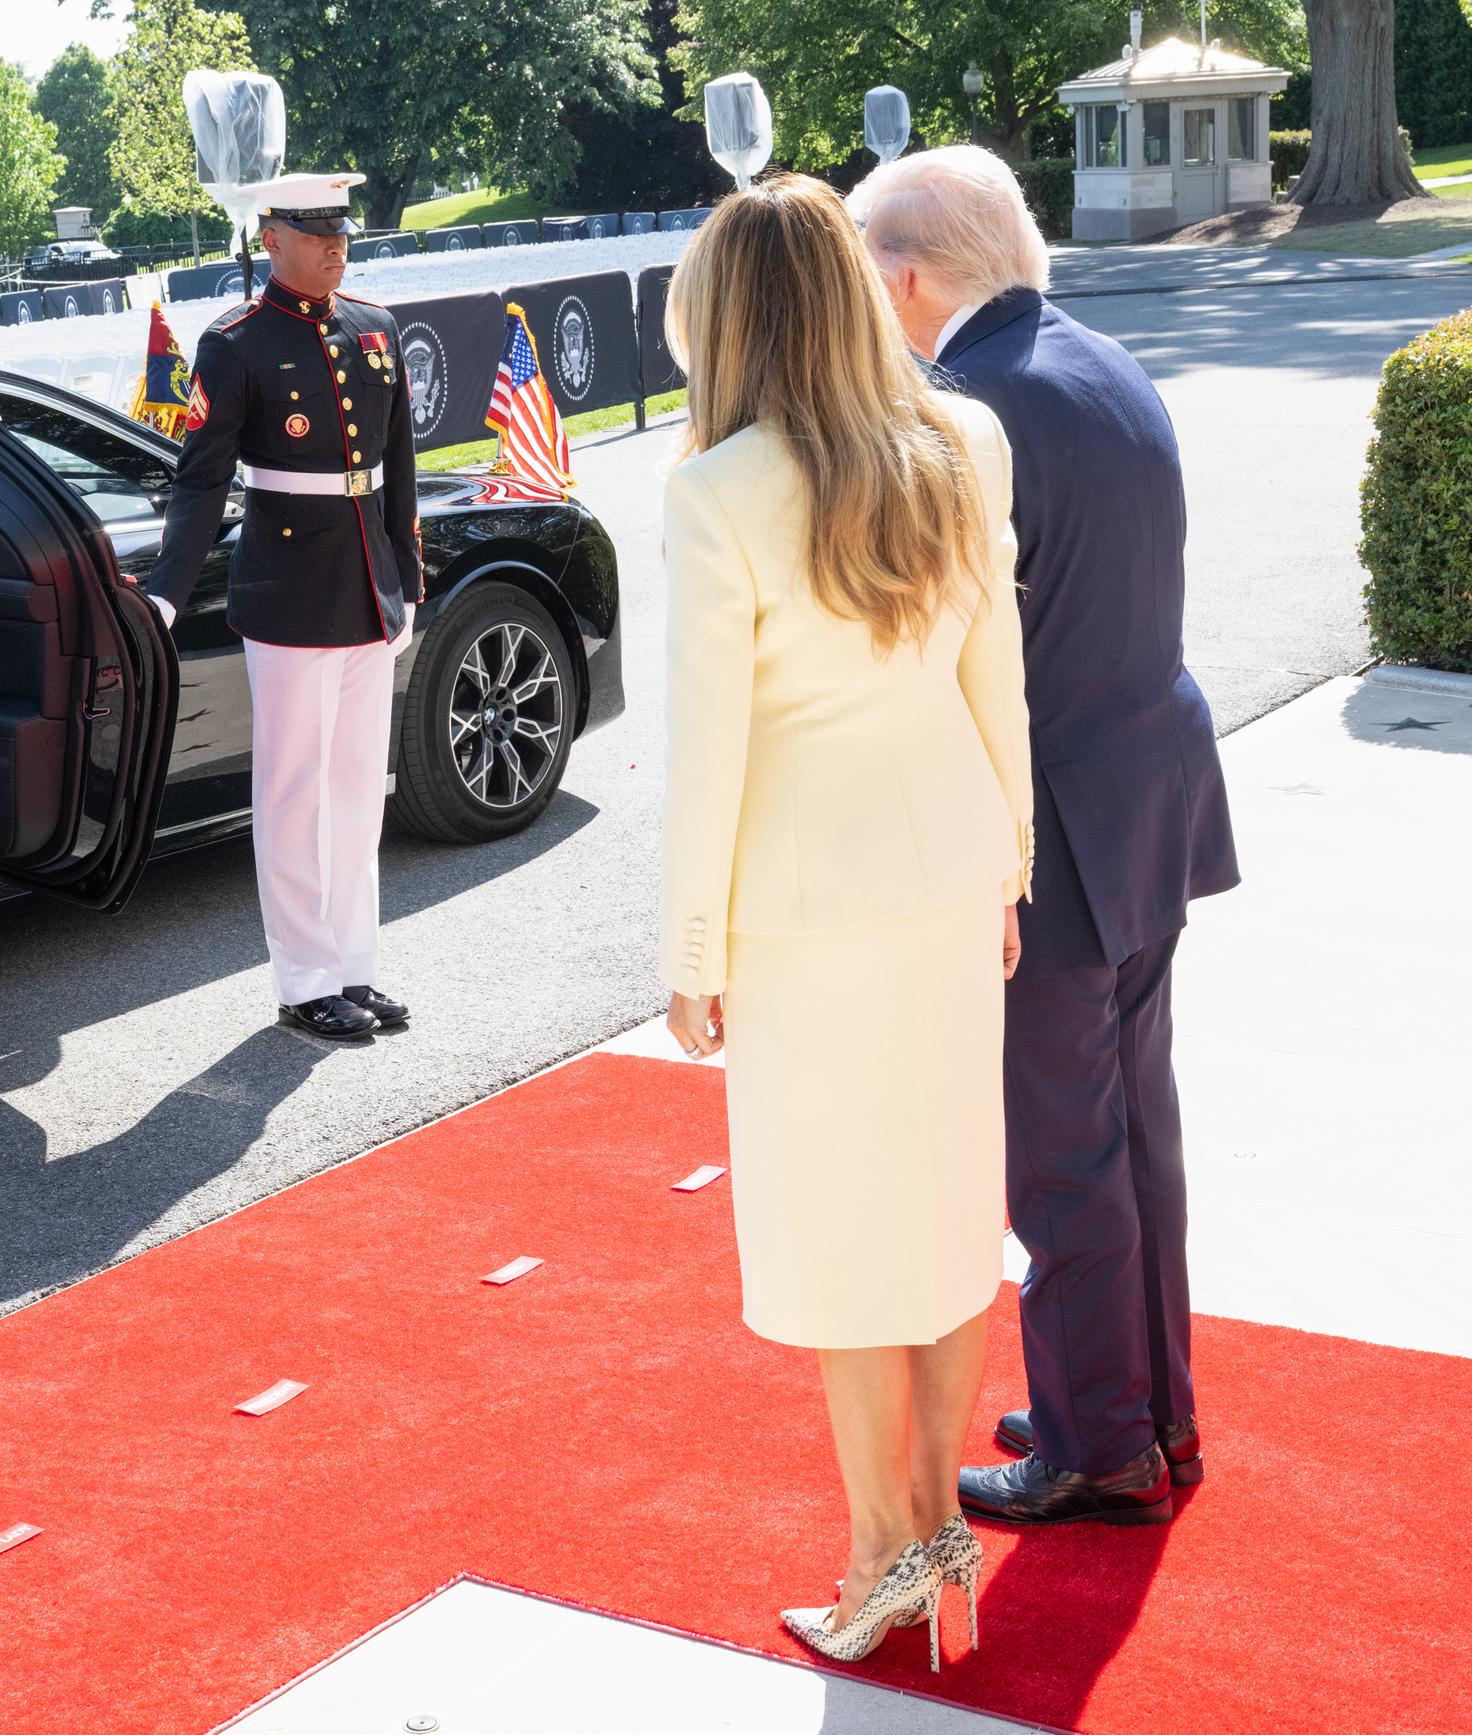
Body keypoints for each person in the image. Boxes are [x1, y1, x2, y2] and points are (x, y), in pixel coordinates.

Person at [658, 175, 1031, 1668]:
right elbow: (995, 675)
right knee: (944, 1218)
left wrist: (688, 954)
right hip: (944, 880)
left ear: (736, 319)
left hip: (805, 915)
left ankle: (893, 1549)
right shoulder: (966, 437)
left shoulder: (716, 489)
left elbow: (710, 754)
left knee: (841, 1242)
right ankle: (928, 1544)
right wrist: (1009, 864)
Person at [850, 146, 1240, 1527]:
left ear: (903, 277)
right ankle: (1146, 1405)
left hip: (1057, 832)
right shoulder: (1103, 362)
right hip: (1148, 799)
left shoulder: (965, 408)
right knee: (1138, 1127)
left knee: (1061, 1150)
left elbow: (929, 656)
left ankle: (1098, 1443)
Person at [145, 171, 421, 1042]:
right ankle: (305, 980)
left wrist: (406, 576)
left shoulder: (373, 328)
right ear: (271, 238)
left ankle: (354, 967)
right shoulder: (234, 342)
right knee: (295, 794)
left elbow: (399, 467)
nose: (336, 241)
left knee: (355, 795)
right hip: (290, 592)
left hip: (367, 589)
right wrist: (162, 591)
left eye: (339, 226)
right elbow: (200, 482)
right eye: (313, 229)